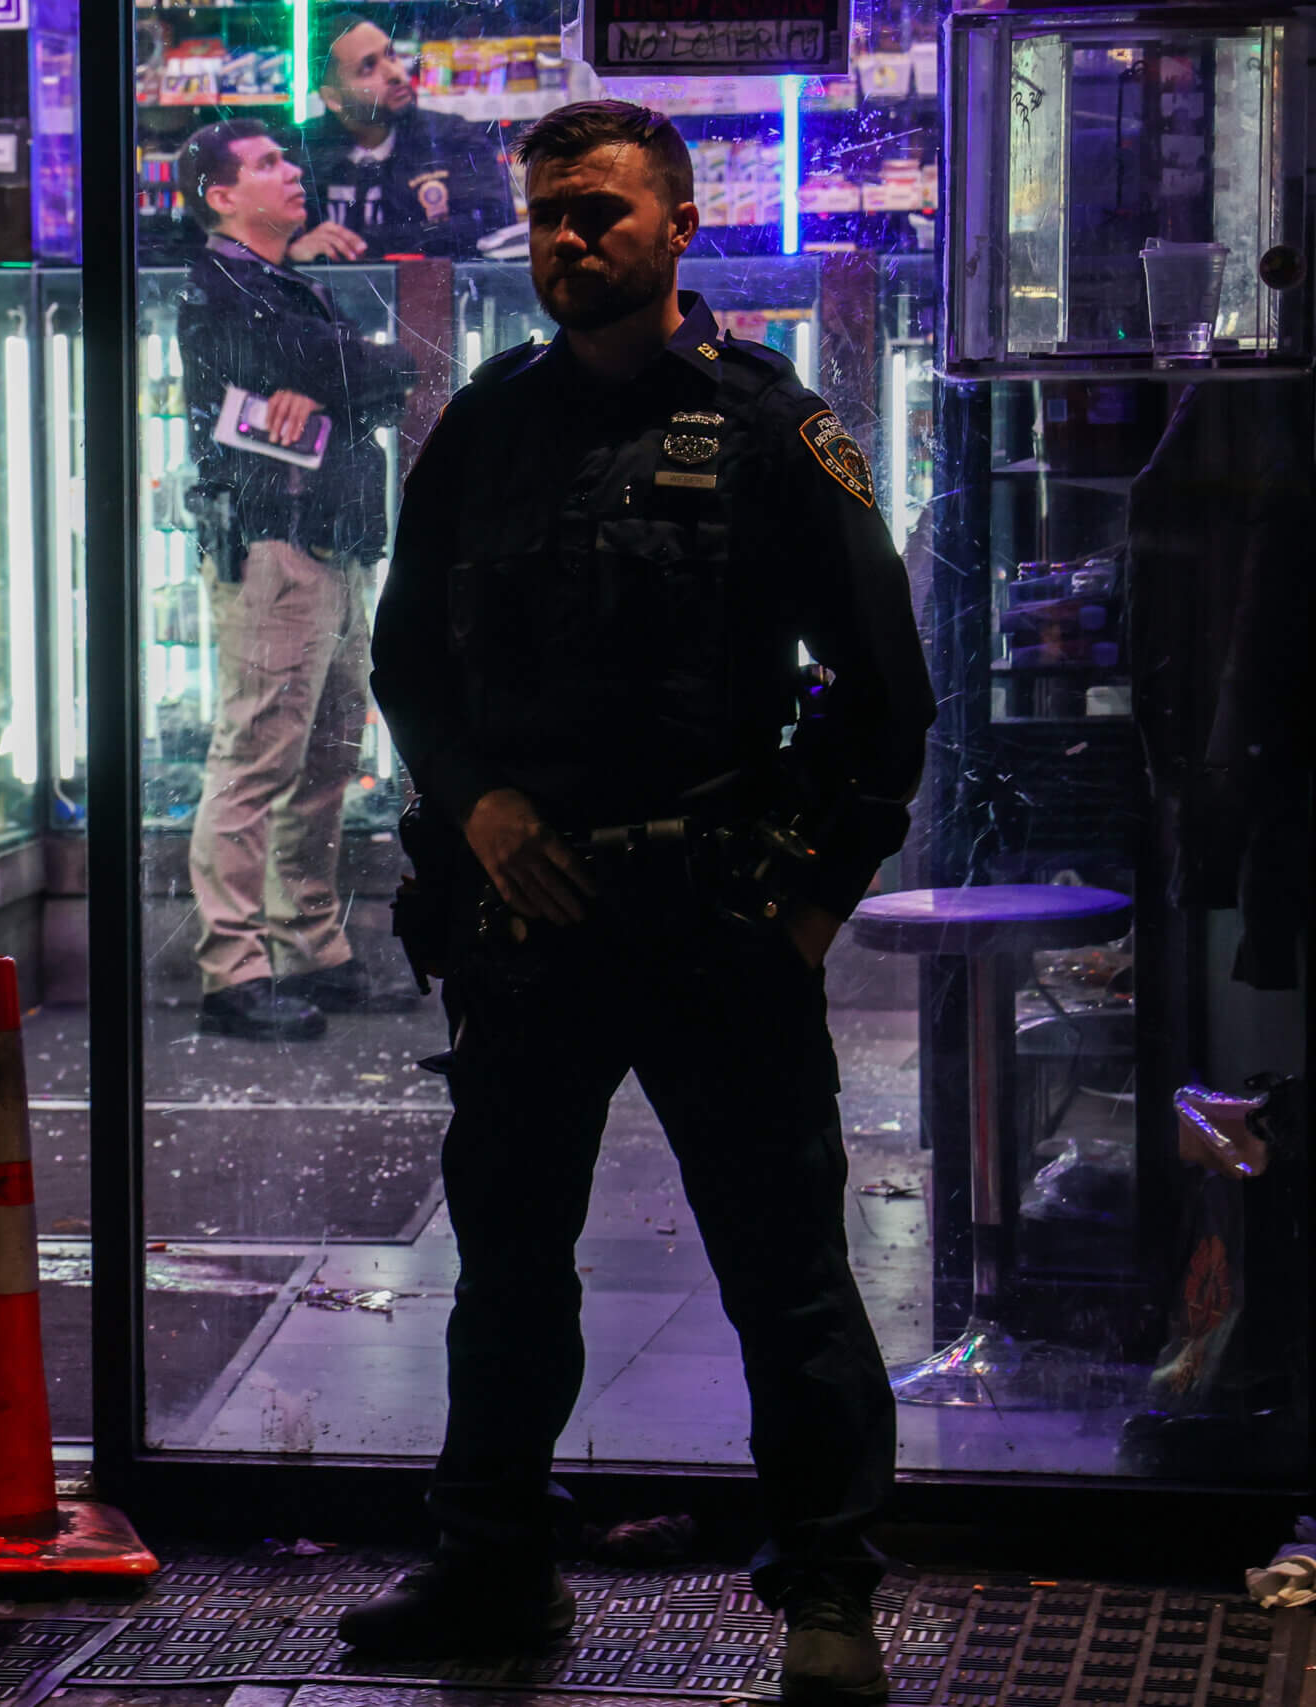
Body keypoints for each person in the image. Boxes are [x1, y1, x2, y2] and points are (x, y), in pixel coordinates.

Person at [349, 102, 934, 1707]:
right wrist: (474, 801)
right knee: (510, 1266)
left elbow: (887, 693)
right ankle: (491, 1565)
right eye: (545, 214)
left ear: (679, 224)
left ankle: (827, 1593)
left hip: (712, 920)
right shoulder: (487, 427)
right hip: (527, 922)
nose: (567, 239)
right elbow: (408, 657)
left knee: (787, 1275)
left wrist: (811, 905)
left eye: (600, 210)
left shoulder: (768, 429)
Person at [173, 117, 420, 1042]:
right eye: (267, 164)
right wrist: (341, 375)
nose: (292, 172)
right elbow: (348, 367)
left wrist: (339, 378)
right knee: (258, 756)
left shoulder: (285, 285)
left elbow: (386, 372)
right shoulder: (221, 286)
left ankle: (308, 944)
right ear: (220, 196)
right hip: (276, 545)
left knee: (324, 755)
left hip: (329, 543)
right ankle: (231, 969)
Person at [296, 11, 514, 260]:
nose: (395, 73)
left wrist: (366, 243)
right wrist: (292, 250)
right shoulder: (299, 153)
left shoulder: (453, 138)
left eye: (391, 55)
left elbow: (495, 226)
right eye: (368, 68)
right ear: (333, 98)